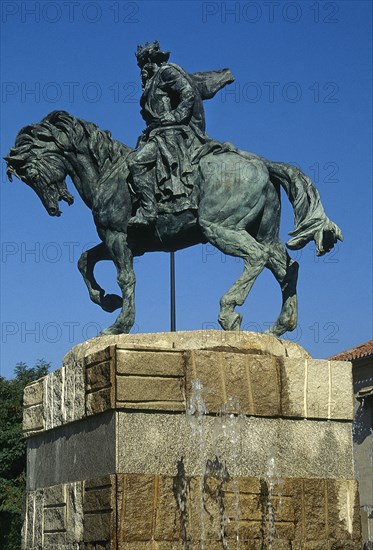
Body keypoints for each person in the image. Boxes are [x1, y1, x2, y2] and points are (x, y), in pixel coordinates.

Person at [128, 40, 234, 226]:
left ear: (152, 60)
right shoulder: (151, 82)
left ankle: (148, 211)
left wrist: (176, 115)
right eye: (140, 66)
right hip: (158, 132)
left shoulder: (166, 72)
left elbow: (188, 92)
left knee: (137, 164)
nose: (142, 69)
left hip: (171, 132)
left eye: (144, 64)